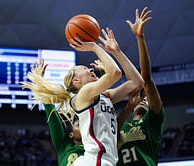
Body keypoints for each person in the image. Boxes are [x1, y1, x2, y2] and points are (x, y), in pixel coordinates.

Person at [22, 29, 144, 166]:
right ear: (76, 81)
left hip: (105, 161)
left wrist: (117, 51)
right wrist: (94, 47)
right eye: (85, 69)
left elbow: (137, 82)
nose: (91, 69)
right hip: (95, 161)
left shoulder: (105, 96)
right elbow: (115, 73)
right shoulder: (83, 95)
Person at [116, 7, 166, 166]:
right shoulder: (121, 124)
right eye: (141, 97)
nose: (145, 99)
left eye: (147, 98)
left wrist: (140, 37)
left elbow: (146, 80)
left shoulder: (153, 121)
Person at [24, 59, 84, 166]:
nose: (83, 126)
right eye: (78, 125)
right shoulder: (63, 145)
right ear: (70, 135)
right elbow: (52, 117)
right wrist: (40, 81)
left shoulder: (94, 145)